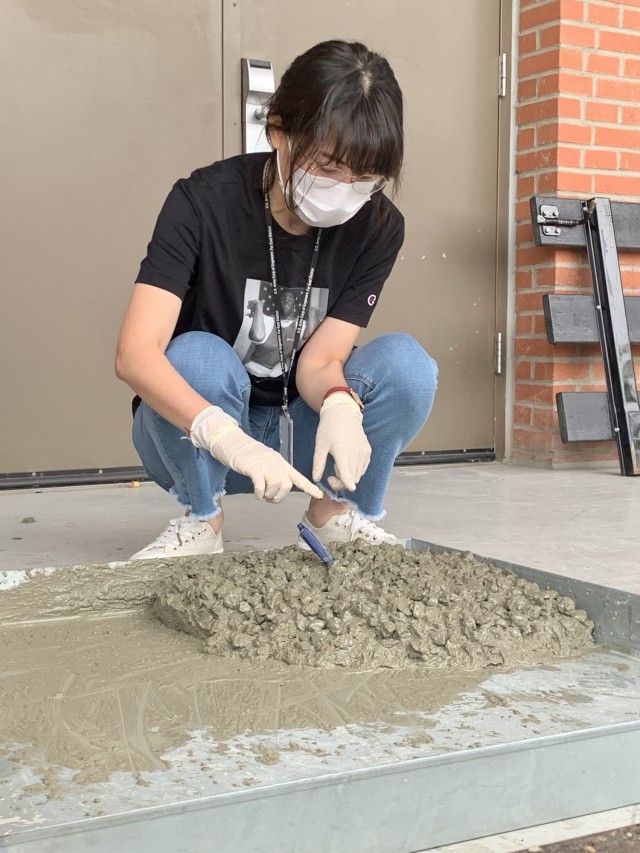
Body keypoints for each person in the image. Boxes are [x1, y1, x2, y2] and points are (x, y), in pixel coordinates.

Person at [115, 39, 438, 561]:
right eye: (329, 167)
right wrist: (223, 435)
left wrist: (339, 403)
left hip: (302, 439)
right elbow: (134, 353)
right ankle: (203, 520)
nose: (345, 192)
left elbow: (325, 359)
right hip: (201, 434)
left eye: (365, 179)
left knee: (408, 366)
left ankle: (333, 515)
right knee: (195, 355)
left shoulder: (378, 226)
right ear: (278, 131)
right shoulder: (202, 202)